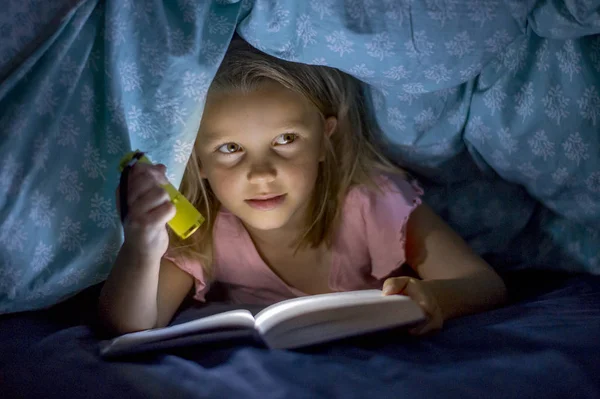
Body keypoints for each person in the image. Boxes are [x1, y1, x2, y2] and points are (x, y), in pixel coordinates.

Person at [99, 38, 507, 337]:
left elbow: (484, 284)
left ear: (325, 140)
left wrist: (432, 298)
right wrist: (143, 246)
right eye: (230, 148)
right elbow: (136, 322)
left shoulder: (374, 202)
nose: (261, 174)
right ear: (199, 163)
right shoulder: (204, 232)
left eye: (286, 140)